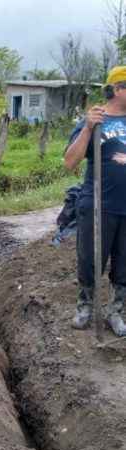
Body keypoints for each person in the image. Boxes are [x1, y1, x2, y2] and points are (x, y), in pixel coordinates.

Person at [64, 66, 126, 336]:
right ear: (116, 89)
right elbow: (70, 161)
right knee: (90, 259)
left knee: (125, 263)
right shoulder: (95, 120)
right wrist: (88, 129)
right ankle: (86, 306)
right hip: (99, 204)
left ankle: (116, 311)